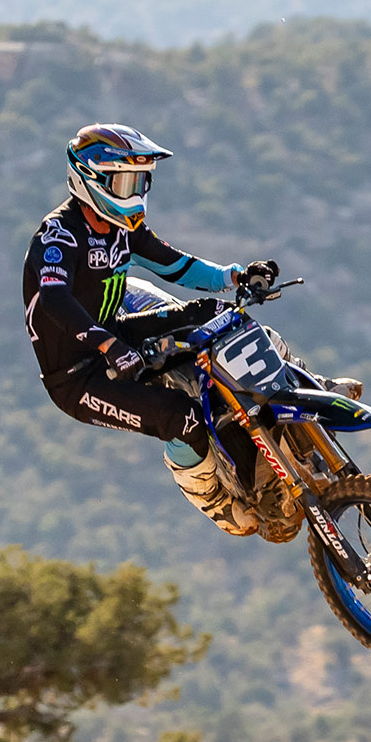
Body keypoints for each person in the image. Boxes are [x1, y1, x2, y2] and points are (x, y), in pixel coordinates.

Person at [24, 124, 279, 535]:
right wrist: (107, 345)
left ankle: (297, 393)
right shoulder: (59, 234)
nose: (135, 194)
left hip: (118, 335)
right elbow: (53, 299)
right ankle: (216, 502)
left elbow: (176, 264)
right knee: (183, 418)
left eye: (141, 182)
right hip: (76, 377)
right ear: (89, 179)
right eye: (125, 182)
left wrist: (236, 276)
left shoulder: (126, 230)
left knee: (215, 314)